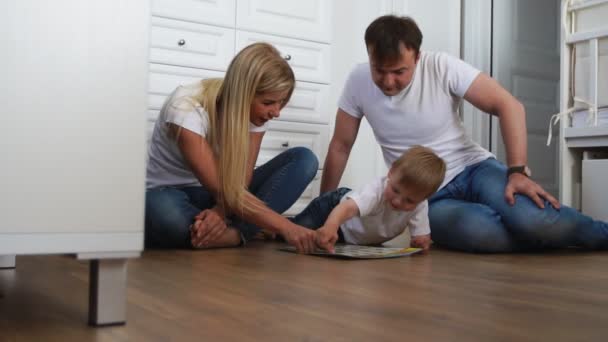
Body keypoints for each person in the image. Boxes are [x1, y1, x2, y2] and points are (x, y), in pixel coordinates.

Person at [321, 15, 608, 253]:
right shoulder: (358, 81)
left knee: (535, 221)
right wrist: (324, 205)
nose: (388, 81)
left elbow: (508, 105)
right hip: (425, 195)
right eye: (379, 70)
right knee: (484, 235)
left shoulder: (441, 66)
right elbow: (340, 146)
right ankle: (543, 233)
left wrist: (517, 171)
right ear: (369, 56)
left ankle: (590, 233)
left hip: (474, 169)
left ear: (417, 57)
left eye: (398, 71)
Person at [145, 42, 319, 253]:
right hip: (170, 194)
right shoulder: (185, 107)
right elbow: (223, 189)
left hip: (222, 196)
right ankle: (236, 229)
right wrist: (287, 227)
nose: (276, 112)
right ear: (243, 94)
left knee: (304, 159)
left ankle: (235, 234)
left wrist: (220, 212)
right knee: (165, 215)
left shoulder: (256, 115)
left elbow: (239, 182)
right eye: (269, 102)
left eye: (281, 102)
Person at [293, 145, 446, 253]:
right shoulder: (376, 190)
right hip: (333, 208)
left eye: (409, 201)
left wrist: (420, 242)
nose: (397, 201)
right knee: (298, 230)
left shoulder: (420, 205)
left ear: (424, 198)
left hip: (351, 237)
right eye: (395, 190)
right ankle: (274, 226)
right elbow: (347, 208)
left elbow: (422, 237)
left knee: (315, 241)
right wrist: (331, 226)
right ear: (391, 172)